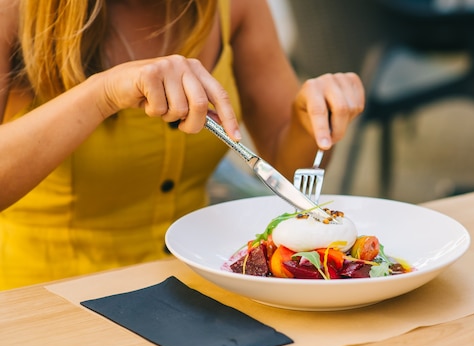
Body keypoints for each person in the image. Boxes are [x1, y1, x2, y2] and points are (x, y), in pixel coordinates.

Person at [0, 0, 365, 289]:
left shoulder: (234, 7)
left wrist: (312, 118)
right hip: (45, 299)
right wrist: (104, 93)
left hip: (194, 290)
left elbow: (288, 166)